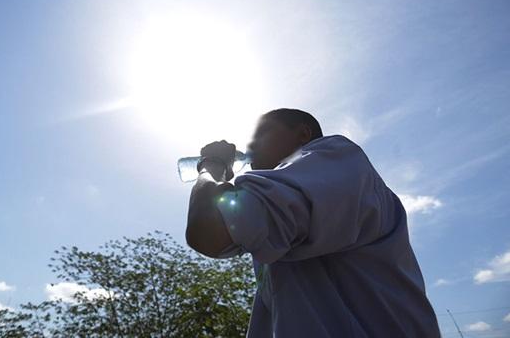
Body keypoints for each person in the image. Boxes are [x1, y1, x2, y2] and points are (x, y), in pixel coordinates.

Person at [186, 108, 441, 337]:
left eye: (262, 133)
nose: (251, 143)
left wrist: (211, 165)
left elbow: (208, 231)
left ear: (303, 134)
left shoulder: (336, 157)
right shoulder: (283, 210)